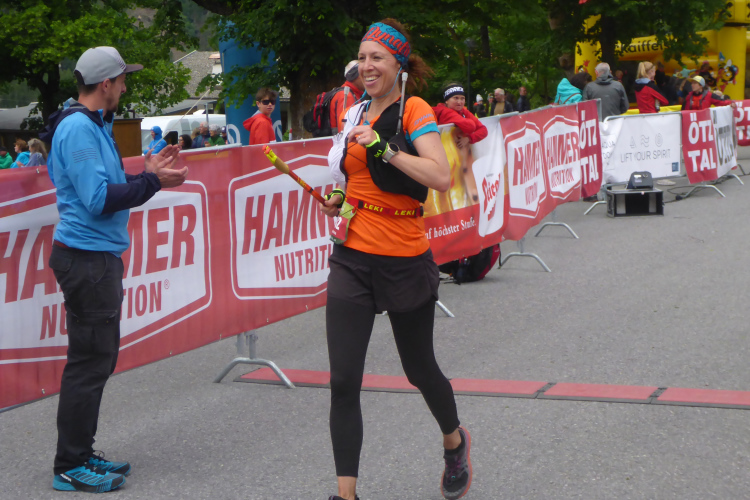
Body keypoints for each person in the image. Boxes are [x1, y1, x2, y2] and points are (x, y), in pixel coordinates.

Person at [322, 19, 471, 500]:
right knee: (344, 380)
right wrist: (338, 199)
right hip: (351, 257)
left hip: (403, 257)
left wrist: (384, 148)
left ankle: (454, 441)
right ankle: (347, 494)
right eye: (363, 58)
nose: (367, 66)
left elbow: (440, 176)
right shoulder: (354, 111)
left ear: (399, 65)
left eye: (377, 58)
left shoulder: (414, 109)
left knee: (419, 369)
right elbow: (355, 179)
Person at [40, 46, 187, 493]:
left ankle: (80, 454)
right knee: (89, 364)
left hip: (94, 258)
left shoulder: (94, 123)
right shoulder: (80, 129)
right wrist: (151, 181)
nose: (125, 87)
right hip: (86, 259)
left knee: (97, 361)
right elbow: (99, 199)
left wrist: (147, 175)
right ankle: (70, 464)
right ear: (105, 84)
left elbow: (109, 186)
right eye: (122, 79)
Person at [329, 60, 366, 134]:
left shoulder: (351, 94)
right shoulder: (346, 96)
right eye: (363, 75)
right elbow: (346, 130)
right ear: (355, 76)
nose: (367, 78)